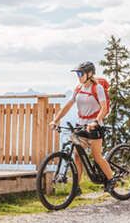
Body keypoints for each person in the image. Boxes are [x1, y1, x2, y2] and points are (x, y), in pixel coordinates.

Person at [49, 61, 116, 193]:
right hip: (81, 126)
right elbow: (68, 104)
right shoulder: (79, 88)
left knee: (97, 156)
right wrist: (55, 120)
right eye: (77, 74)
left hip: (95, 126)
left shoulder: (97, 88)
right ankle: (76, 187)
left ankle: (111, 179)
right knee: (77, 155)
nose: (78, 76)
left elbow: (104, 108)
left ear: (90, 74)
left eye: (81, 73)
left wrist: (96, 121)